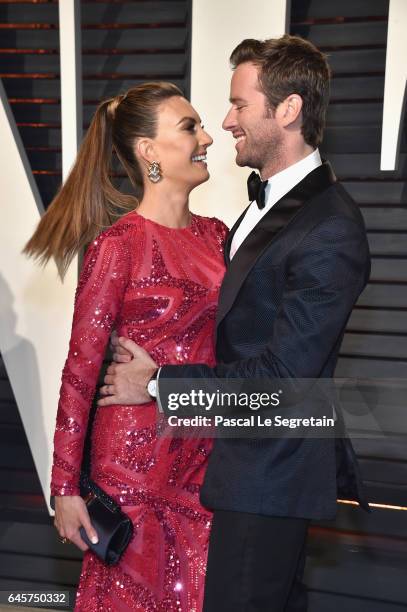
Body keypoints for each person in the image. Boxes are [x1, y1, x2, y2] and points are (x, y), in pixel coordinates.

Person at [99, 35, 371, 612]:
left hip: (270, 473)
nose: (225, 122)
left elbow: (278, 382)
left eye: (240, 105)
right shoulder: (267, 207)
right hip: (241, 468)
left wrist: (154, 384)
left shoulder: (330, 227)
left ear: (288, 110)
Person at [24, 81, 229, 611]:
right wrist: (65, 489)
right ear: (148, 151)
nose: (207, 137)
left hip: (202, 458)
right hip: (133, 467)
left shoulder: (218, 236)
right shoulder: (119, 245)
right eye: (190, 127)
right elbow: (80, 371)